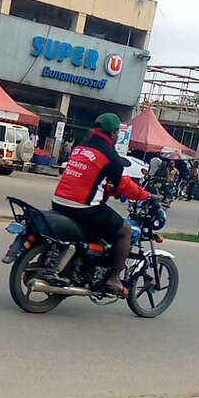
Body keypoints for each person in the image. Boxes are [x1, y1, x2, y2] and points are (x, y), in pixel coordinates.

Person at [52, 112, 150, 295]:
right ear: (113, 134)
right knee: (125, 231)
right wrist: (145, 195)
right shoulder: (110, 155)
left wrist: (109, 189)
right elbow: (124, 186)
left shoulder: (80, 147)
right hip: (83, 208)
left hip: (58, 202)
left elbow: (90, 178)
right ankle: (113, 278)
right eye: (117, 133)